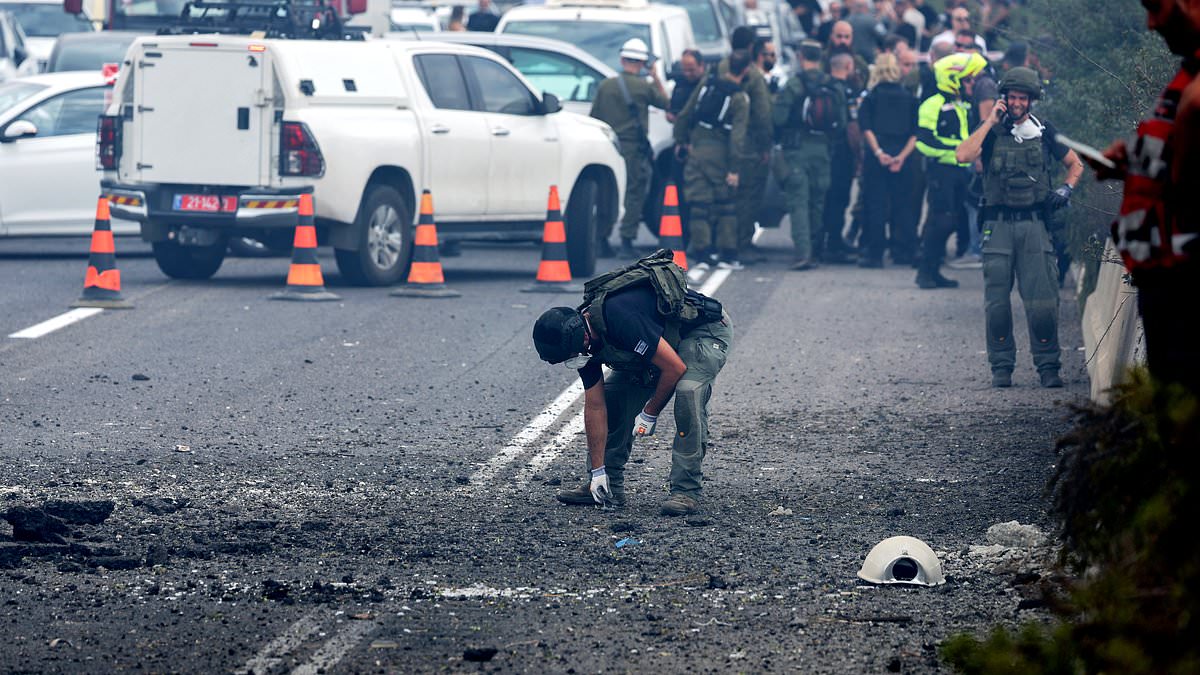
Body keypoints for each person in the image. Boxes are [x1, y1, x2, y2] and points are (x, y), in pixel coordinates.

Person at [532, 250, 733, 516]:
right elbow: (595, 406)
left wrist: (650, 412)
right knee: (615, 399)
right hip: (659, 343)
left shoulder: (619, 318)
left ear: (581, 339)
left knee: (687, 393)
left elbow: (673, 368)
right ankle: (606, 487)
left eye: (572, 358)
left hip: (702, 332)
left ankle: (686, 491)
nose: (575, 362)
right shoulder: (583, 344)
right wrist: (598, 471)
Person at [1090, 0, 1200, 395]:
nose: (1151, 24)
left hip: (1184, 285)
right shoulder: (1187, 75)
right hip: (1164, 279)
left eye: (1157, 7)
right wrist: (1136, 162)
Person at [956, 66, 1082, 388]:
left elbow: (1075, 164)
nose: (1016, 103)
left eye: (1021, 98)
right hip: (997, 226)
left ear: (1031, 100)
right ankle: (1001, 366)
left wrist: (1066, 189)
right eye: (1011, 97)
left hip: (1034, 225)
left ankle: (1048, 366)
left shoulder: (1044, 132)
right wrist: (989, 122)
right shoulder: (991, 133)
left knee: (1043, 302)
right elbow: (962, 155)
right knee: (997, 303)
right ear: (1004, 98)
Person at [914, 52, 987, 289]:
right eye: (967, 80)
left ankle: (933, 271)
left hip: (960, 172)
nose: (971, 84)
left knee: (953, 221)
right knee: (941, 221)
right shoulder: (932, 104)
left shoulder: (963, 105)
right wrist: (958, 149)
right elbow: (924, 142)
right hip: (941, 172)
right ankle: (925, 271)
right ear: (952, 79)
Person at [590, 38, 668, 258]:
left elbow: (594, 117)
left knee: (607, 193)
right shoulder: (644, 87)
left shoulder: (606, 85)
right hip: (633, 149)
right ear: (643, 63)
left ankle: (601, 239)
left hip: (609, 146)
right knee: (633, 193)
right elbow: (666, 103)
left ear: (622, 59)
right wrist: (654, 75)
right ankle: (626, 240)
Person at [674, 49, 752, 268]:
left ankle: (703, 254)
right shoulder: (740, 98)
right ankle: (728, 254)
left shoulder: (706, 86)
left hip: (697, 150)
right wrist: (734, 169)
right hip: (720, 154)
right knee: (725, 204)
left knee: (699, 204)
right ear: (746, 70)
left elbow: (685, 115)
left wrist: (682, 141)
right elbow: (737, 138)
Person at [774, 40, 847, 270]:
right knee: (817, 201)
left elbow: (778, 119)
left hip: (797, 149)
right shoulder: (833, 86)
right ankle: (816, 250)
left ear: (800, 56)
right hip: (823, 150)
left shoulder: (794, 85)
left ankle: (804, 253)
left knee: (799, 202)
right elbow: (842, 123)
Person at [858, 52, 919, 267]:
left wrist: (878, 153)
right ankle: (903, 250)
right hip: (903, 155)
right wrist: (901, 157)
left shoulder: (871, 98)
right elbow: (915, 132)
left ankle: (875, 253)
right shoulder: (909, 97)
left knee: (876, 205)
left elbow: (866, 128)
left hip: (878, 157)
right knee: (903, 205)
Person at [722, 31, 773, 266]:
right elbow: (763, 114)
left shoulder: (720, 66)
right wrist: (765, 146)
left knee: (721, 195)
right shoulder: (752, 75)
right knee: (747, 195)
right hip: (747, 143)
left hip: (718, 140)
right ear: (752, 47)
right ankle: (742, 243)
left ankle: (718, 241)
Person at [819, 50, 862, 263]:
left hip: (823, 149)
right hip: (842, 153)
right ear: (847, 67)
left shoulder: (822, 86)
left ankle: (819, 242)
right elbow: (852, 126)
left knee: (824, 199)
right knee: (839, 199)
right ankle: (834, 244)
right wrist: (858, 154)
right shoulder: (846, 91)